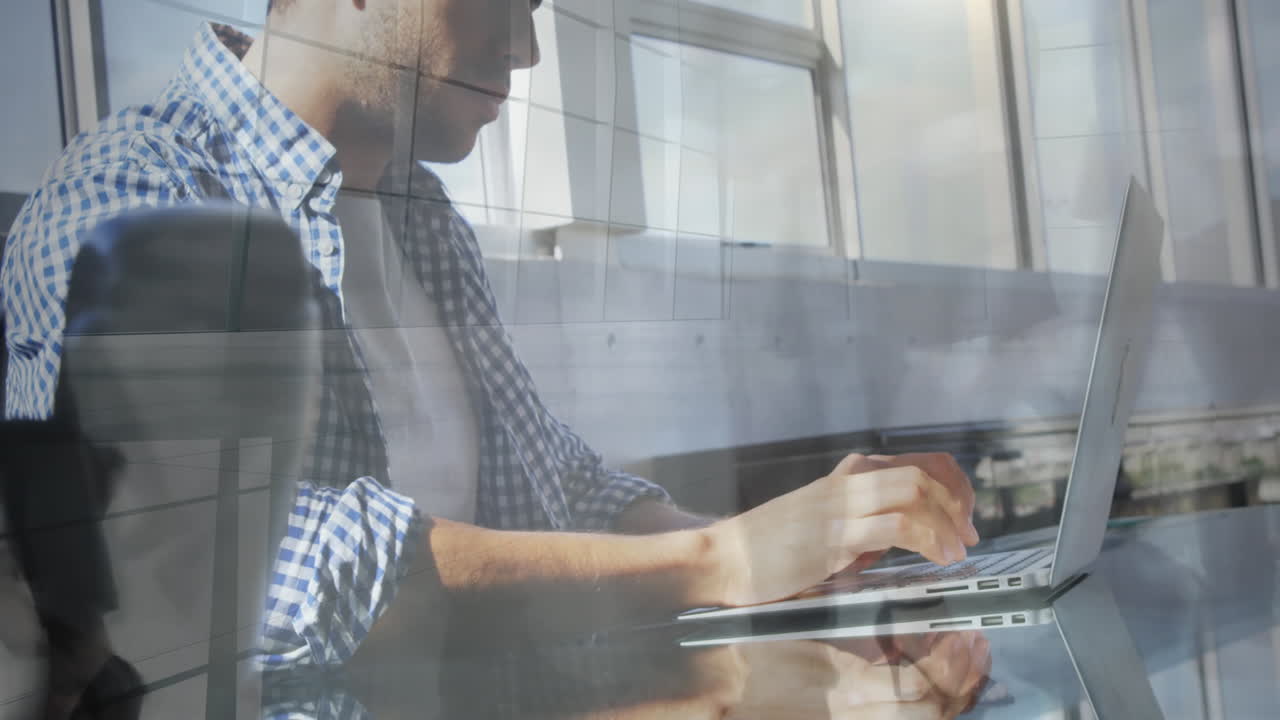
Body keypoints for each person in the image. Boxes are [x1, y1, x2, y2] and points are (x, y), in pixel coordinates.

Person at [2, 0, 980, 682]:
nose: (524, 49)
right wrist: (719, 562)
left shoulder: (420, 215)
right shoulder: (133, 199)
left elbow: (554, 484)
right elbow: (240, 581)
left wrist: (798, 552)